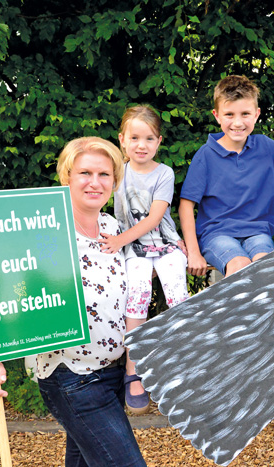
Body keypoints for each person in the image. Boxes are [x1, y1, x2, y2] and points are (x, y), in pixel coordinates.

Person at [0, 136, 146, 467]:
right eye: (85, 173)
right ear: (67, 176)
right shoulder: (44, 232)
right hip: (73, 377)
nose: (95, 183)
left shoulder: (112, 227)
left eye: (104, 175)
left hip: (111, 373)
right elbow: (5, 293)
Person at [99, 105, 189, 414]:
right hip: (132, 249)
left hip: (163, 244)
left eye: (149, 139)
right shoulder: (117, 172)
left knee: (178, 298)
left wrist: (118, 240)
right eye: (135, 138)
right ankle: (132, 369)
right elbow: (93, 196)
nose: (141, 145)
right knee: (136, 297)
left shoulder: (164, 173)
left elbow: (155, 218)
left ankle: (179, 370)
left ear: (159, 142)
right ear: (122, 140)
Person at [179, 75, 274, 278]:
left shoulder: (265, 146)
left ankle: (263, 311)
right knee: (240, 265)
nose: (237, 122)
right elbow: (186, 205)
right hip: (217, 234)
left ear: (256, 114)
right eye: (229, 114)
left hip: (258, 233)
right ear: (217, 116)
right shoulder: (206, 155)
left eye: (245, 114)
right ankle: (232, 310)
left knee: (267, 268)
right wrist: (194, 252)